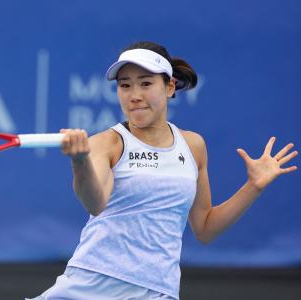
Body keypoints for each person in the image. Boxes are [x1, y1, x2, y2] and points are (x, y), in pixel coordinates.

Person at [29, 41, 298, 300]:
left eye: (146, 84)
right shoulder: (107, 143)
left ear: (169, 87)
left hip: (160, 290)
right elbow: (96, 202)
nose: (134, 96)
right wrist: (80, 162)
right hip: (93, 284)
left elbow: (205, 228)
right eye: (125, 86)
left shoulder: (193, 145)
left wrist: (253, 187)